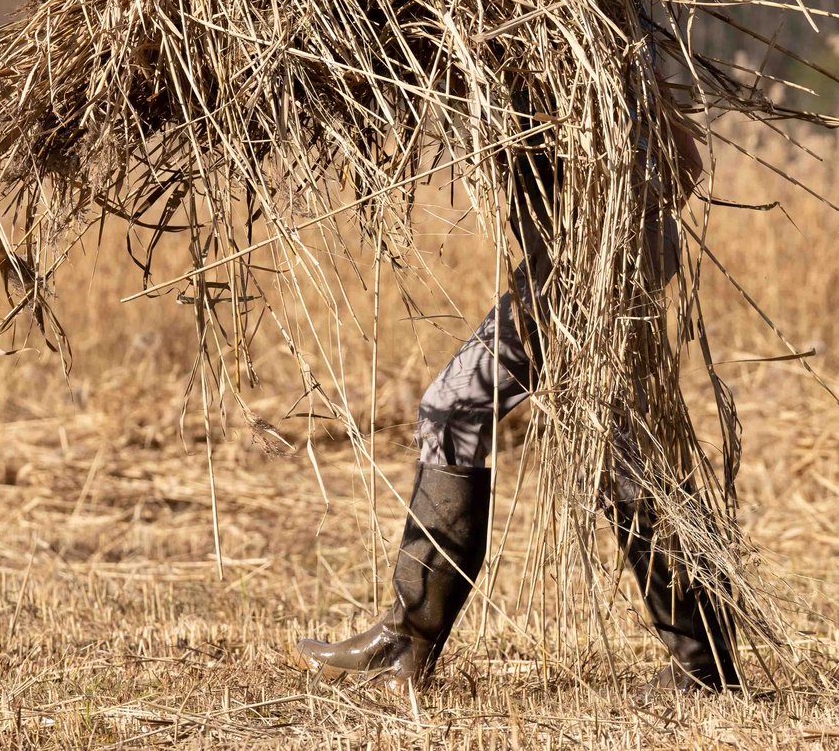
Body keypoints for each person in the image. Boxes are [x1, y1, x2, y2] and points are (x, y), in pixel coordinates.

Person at [293, 102, 742, 694]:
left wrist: (601, 230)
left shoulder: (575, 45)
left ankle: (409, 641)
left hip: (588, 269)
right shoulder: (547, 45)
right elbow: (683, 167)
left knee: (455, 411)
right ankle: (704, 666)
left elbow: (682, 165)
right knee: (624, 454)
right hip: (592, 263)